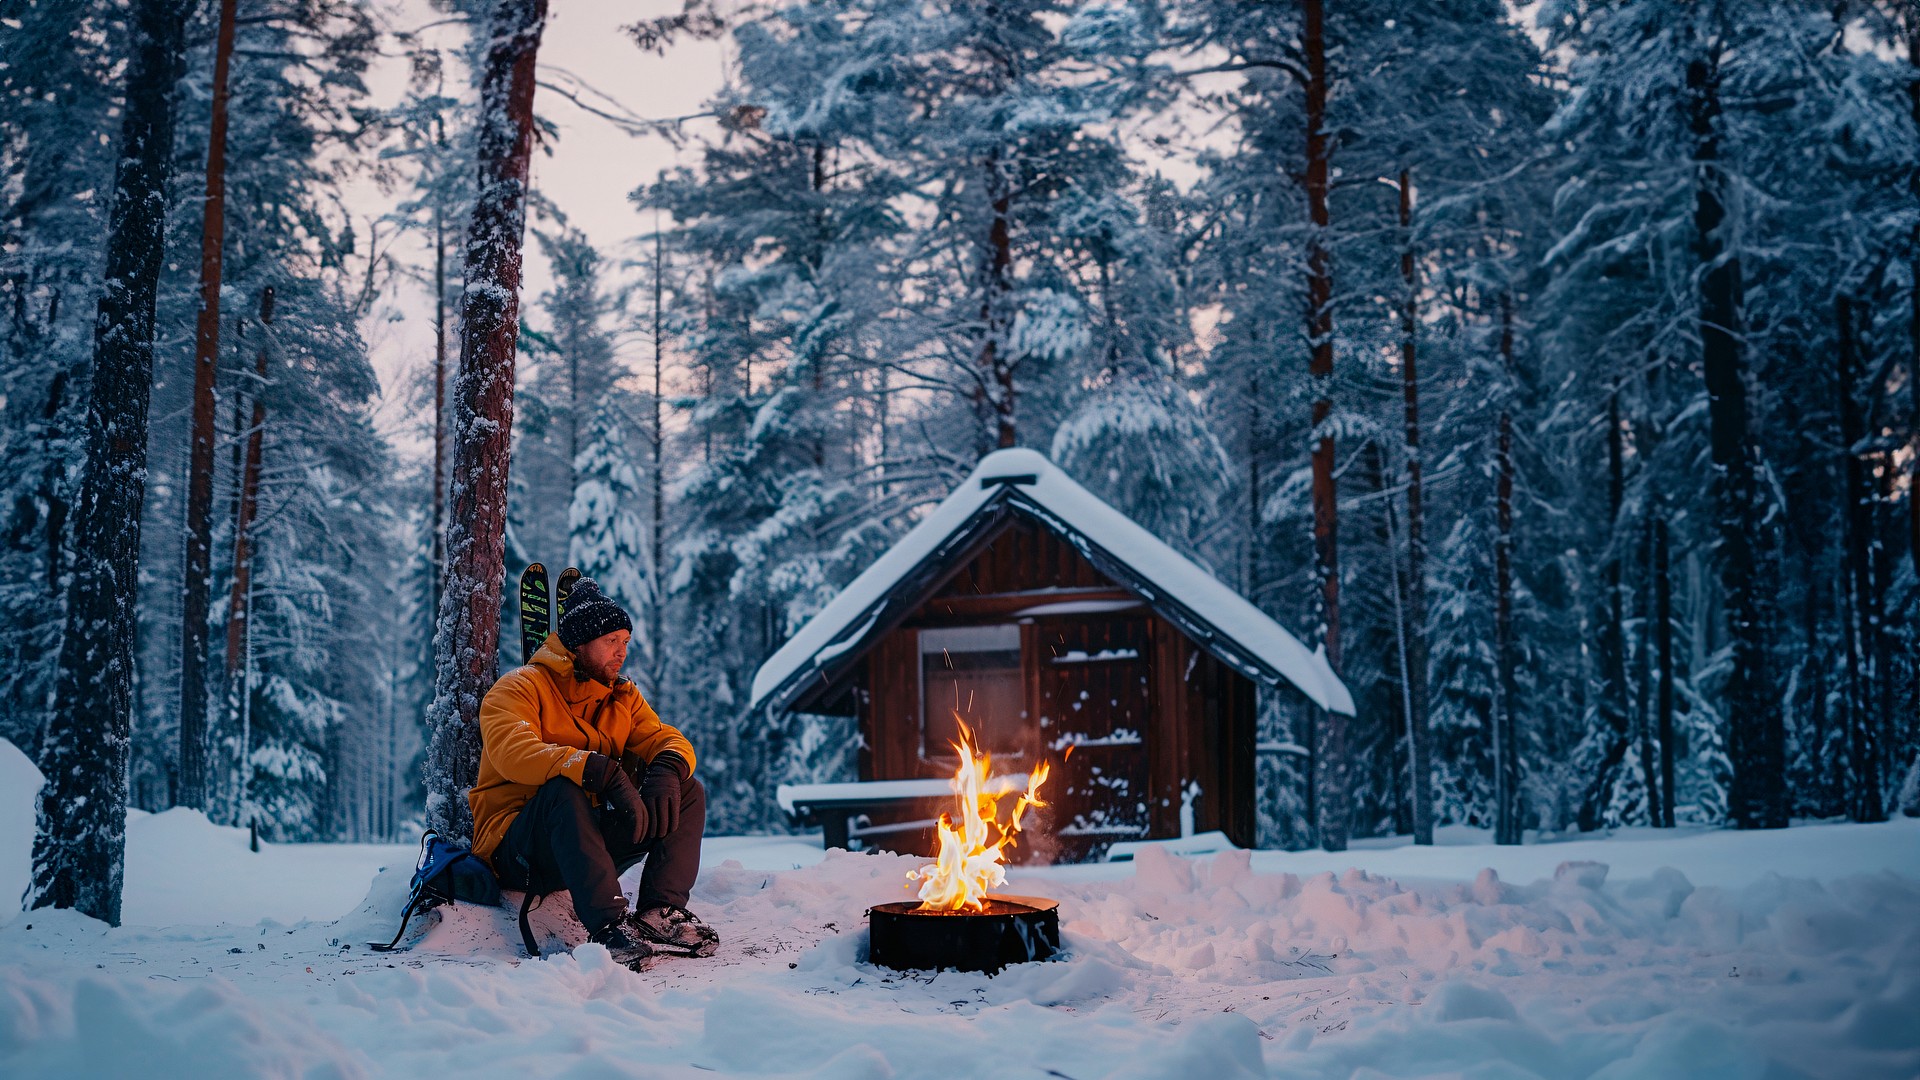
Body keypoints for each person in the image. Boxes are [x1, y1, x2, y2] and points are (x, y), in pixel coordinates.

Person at [466, 578, 718, 969]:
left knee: (686, 789)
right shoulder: (518, 688)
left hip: (586, 845)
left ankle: (660, 913)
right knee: (562, 792)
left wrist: (667, 767)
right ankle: (608, 928)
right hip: (518, 849)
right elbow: (511, 752)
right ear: (579, 644)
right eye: (611, 641)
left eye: (626, 641)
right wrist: (595, 769)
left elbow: (664, 737)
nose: (622, 652)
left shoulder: (622, 697)